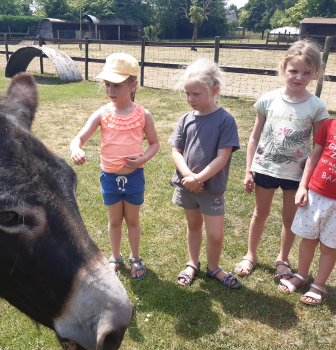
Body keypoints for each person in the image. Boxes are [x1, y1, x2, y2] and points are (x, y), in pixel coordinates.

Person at [235, 40, 329, 280]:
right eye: (294, 71)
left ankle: (283, 260)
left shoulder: (317, 106)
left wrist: (306, 184)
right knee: (260, 212)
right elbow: (255, 137)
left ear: (314, 73)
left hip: (296, 175)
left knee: (290, 219)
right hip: (265, 168)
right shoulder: (267, 100)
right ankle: (250, 255)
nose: (299, 77)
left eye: (307, 73)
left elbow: (318, 148)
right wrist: (248, 170)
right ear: (283, 68)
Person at [70, 52, 159, 281]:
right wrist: (76, 149)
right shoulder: (102, 113)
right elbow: (78, 139)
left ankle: (135, 257)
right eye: (107, 84)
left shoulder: (143, 115)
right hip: (109, 178)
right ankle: (115, 257)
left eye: (117, 85)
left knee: (132, 220)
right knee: (114, 220)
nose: (110, 90)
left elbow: (154, 144)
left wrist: (143, 160)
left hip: (134, 178)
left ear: (133, 85)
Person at [170, 58, 241, 289]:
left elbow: (223, 157)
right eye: (187, 94)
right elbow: (176, 151)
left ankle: (214, 268)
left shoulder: (225, 120)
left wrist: (197, 179)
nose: (190, 99)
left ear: (214, 91)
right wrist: (188, 177)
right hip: (187, 187)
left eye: (196, 94)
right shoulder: (185, 119)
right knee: (193, 226)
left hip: (211, 189)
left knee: (215, 235)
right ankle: (193, 263)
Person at [278, 119, 336, 305]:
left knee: (329, 247)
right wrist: (303, 186)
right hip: (316, 195)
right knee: (308, 239)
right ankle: (301, 275)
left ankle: (318, 285)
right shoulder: (329, 125)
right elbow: (313, 156)